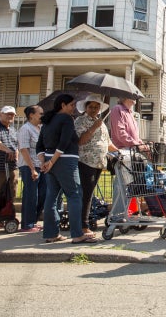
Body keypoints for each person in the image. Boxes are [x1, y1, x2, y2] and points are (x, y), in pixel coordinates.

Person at [37, 94, 96, 244]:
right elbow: (63, 143)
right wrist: (52, 161)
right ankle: (77, 234)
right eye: (71, 105)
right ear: (63, 105)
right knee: (74, 194)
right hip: (66, 160)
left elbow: (40, 145)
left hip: (50, 160)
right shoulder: (66, 120)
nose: (73, 108)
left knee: (51, 197)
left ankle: (51, 234)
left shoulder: (47, 121)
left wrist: (45, 161)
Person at [75, 95, 118, 237]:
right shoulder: (81, 121)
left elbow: (107, 143)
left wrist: (121, 151)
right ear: (86, 108)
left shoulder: (101, 123)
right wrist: (93, 127)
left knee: (90, 193)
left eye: (96, 107)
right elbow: (80, 140)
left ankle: (84, 223)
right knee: (86, 194)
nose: (93, 109)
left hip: (99, 162)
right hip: (86, 161)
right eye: (91, 107)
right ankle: (83, 225)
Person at [109, 97, 149, 220]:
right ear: (125, 96)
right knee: (121, 184)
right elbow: (120, 133)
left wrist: (142, 144)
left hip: (132, 151)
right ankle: (117, 215)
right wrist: (137, 145)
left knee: (131, 184)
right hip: (123, 151)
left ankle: (126, 212)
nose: (136, 97)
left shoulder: (130, 113)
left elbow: (134, 136)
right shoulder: (118, 109)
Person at [17, 105, 46, 232]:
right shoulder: (25, 129)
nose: (42, 115)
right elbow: (24, 149)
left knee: (42, 194)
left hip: (42, 166)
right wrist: (32, 168)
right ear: (31, 115)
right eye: (40, 113)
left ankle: (34, 221)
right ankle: (27, 224)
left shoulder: (40, 128)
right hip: (29, 166)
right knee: (31, 195)